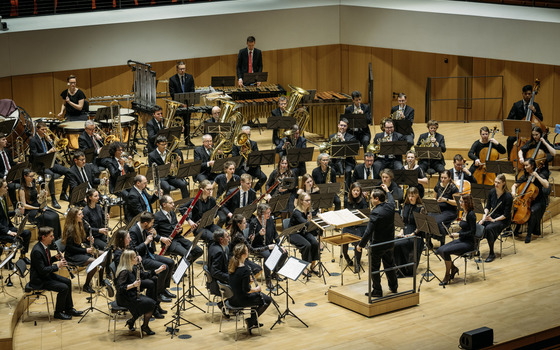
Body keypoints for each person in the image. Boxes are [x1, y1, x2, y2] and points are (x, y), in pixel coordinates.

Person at [29, 227, 83, 320]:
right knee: (63, 288)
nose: (53, 238)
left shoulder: (44, 246)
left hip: (46, 275)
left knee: (67, 282)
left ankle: (69, 309)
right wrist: (57, 266)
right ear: (43, 237)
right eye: (51, 236)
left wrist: (55, 257)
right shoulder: (37, 251)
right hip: (39, 279)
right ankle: (58, 312)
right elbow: (42, 270)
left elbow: (47, 261)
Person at [356, 185, 398, 297]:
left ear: (377, 199)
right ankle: (394, 287)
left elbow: (368, 232)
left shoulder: (375, 212)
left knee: (374, 268)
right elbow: (392, 199)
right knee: (389, 265)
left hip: (378, 245)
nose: (370, 200)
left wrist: (360, 245)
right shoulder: (390, 206)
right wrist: (387, 191)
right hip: (389, 243)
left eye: (371, 198)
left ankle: (377, 291)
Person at [128, 211, 175, 303]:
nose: (153, 225)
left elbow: (152, 235)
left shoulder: (145, 227)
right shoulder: (133, 231)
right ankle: (158, 293)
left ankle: (163, 288)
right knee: (165, 268)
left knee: (171, 262)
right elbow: (133, 250)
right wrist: (146, 242)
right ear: (146, 223)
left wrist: (161, 238)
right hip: (141, 259)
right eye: (152, 223)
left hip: (149, 254)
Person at [115, 250, 162, 335]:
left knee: (149, 303)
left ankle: (132, 321)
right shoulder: (124, 272)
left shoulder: (133, 267)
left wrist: (158, 270)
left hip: (131, 295)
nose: (137, 258)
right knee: (151, 304)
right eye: (134, 257)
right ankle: (144, 326)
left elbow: (144, 275)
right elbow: (119, 288)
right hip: (125, 298)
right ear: (129, 260)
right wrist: (133, 285)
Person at [228, 243, 272, 332]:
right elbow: (247, 290)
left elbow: (237, 281)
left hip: (232, 298)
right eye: (247, 250)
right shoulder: (245, 269)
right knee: (267, 299)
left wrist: (247, 280)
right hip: (241, 300)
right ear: (244, 255)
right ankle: (251, 321)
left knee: (258, 296)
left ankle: (253, 321)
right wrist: (256, 289)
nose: (248, 251)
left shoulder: (233, 263)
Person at [436, 194, 476, 285]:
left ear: (467, 203)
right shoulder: (464, 212)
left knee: (445, 251)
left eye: (461, 201)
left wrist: (458, 234)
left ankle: (447, 276)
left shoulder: (471, 215)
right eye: (460, 201)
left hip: (468, 243)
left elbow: (472, 232)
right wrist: (454, 232)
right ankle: (453, 268)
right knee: (440, 250)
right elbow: (463, 228)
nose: (460, 203)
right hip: (462, 239)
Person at [29, 121, 71, 207]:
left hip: (50, 162)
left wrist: (51, 143)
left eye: (45, 129)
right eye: (42, 129)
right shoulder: (33, 140)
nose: (44, 131)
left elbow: (53, 149)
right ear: (37, 130)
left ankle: (63, 193)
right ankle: (53, 199)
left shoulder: (46, 139)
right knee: (50, 174)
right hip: (40, 165)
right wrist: (48, 152)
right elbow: (35, 155)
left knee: (68, 171)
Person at [154, 195, 203, 263]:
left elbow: (178, 227)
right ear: (164, 204)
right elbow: (153, 233)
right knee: (187, 255)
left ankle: (176, 270)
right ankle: (178, 272)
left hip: (179, 238)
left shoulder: (172, 213)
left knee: (199, 251)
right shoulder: (156, 216)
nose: (173, 204)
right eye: (170, 203)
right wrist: (162, 238)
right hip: (169, 242)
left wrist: (180, 230)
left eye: (173, 202)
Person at [512, 159, 549, 243]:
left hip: (539, 201)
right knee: (517, 209)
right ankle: (516, 229)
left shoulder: (540, 174)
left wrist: (537, 176)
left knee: (532, 211)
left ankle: (529, 234)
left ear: (532, 166)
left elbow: (546, 185)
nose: (525, 167)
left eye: (526, 165)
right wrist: (513, 191)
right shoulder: (524, 176)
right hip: (527, 201)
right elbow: (515, 185)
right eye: (524, 165)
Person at [249, 204, 285, 289]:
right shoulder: (254, 223)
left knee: (284, 253)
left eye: (269, 212)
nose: (269, 214)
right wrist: (259, 234)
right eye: (267, 213)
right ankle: (268, 279)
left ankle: (275, 273)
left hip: (269, 244)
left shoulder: (270, 220)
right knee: (268, 256)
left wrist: (280, 245)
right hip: (258, 246)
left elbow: (275, 233)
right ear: (261, 213)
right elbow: (250, 240)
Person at [61, 207, 97, 293]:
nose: (82, 215)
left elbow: (79, 241)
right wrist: (85, 251)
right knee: (94, 262)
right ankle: (86, 285)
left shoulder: (79, 225)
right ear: (74, 217)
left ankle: (101, 281)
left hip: (78, 252)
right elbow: (70, 248)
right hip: (71, 256)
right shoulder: (70, 229)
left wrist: (88, 240)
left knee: (101, 254)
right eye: (80, 214)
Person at [479, 174, 513, 262]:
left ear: (504, 183)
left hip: (503, 220)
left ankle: (491, 253)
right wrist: (484, 217)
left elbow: (506, 215)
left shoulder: (508, 197)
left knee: (489, 228)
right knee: (478, 225)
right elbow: (487, 207)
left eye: (498, 182)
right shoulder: (492, 192)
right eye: (495, 182)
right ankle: (475, 250)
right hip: (493, 216)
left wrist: (493, 220)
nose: (496, 184)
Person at [19, 168, 62, 239]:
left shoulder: (33, 183)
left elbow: (36, 197)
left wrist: (42, 194)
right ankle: (50, 240)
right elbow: (24, 205)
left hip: (37, 206)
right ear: (25, 176)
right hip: (30, 211)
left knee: (56, 215)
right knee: (50, 218)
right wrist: (37, 208)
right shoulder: (22, 189)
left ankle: (57, 237)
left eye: (33, 176)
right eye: (31, 176)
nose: (33, 178)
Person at [393, 187, 424, 277]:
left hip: (416, 234)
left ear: (417, 196)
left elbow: (421, 226)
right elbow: (403, 221)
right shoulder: (405, 206)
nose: (410, 198)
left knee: (398, 244)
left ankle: (405, 270)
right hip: (405, 231)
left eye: (413, 196)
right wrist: (401, 231)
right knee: (394, 243)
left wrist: (413, 234)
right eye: (409, 196)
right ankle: (398, 270)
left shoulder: (421, 208)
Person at [506, 84, 544, 157]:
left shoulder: (535, 105)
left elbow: (541, 119)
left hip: (532, 132)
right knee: (509, 140)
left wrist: (535, 111)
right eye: (525, 94)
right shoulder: (516, 105)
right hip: (519, 131)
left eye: (529, 94)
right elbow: (509, 118)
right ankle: (509, 158)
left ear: (532, 95)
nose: (527, 95)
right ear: (522, 94)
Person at [0, 179, 31, 263]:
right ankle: (8, 261)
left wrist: (16, 212)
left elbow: (4, 214)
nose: (7, 188)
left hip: (8, 227)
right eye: (5, 187)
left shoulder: (3, 198)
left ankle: (23, 256)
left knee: (27, 233)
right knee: (16, 240)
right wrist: (8, 232)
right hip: (1, 231)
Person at [289, 192, 319, 277]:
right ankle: (304, 267)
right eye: (307, 200)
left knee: (314, 243)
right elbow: (305, 223)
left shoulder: (308, 210)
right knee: (307, 245)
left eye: (309, 200)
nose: (309, 202)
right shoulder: (297, 212)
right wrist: (310, 220)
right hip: (293, 234)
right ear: (301, 201)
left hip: (303, 232)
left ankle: (313, 265)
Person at [232, 126, 267, 193]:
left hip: (252, 167)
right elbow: (234, 159)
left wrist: (252, 159)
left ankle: (253, 191)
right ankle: (247, 193)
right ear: (241, 135)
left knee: (263, 177)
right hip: (241, 168)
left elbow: (257, 157)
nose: (247, 137)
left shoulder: (253, 144)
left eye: (249, 134)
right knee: (246, 179)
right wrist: (242, 154)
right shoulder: (236, 145)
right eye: (245, 135)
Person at [168, 61, 195, 147]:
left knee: (187, 123)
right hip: (178, 106)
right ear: (177, 69)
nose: (182, 70)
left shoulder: (190, 77)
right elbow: (172, 94)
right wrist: (181, 104)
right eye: (180, 69)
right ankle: (175, 142)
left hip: (187, 105)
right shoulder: (172, 79)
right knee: (177, 124)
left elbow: (192, 91)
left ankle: (187, 141)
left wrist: (188, 103)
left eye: (184, 68)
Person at [341, 182, 368, 268]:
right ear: (351, 191)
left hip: (360, 226)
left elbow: (364, 217)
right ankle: (347, 258)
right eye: (354, 190)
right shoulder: (346, 200)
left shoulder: (363, 201)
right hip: (349, 224)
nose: (356, 192)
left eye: (358, 191)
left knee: (358, 243)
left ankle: (358, 262)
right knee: (344, 241)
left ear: (360, 192)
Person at [430, 170, 459, 248]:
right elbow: (434, 197)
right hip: (439, 210)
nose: (442, 179)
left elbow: (457, 203)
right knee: (428, 218)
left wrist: (445, 200)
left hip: (450, 211)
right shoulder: (438, 186)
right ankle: (428, 241)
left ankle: (442, 242)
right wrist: (433, 200)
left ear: (449, 178)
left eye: (445, 178)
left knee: (437, 221)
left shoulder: (453, 188)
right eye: (441, 177)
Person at [228, 214, 263, 279]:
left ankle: (246, 283)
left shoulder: (238, 232)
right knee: (257, 269)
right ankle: (245, 284)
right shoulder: (238, 235)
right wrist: (268, 247)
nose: (246, 224)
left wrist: (249, 239)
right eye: (244, 223)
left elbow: (241, 243)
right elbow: (252, 250)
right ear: (239, 224)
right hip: (236, 259)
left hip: (240, 256)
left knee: (257, 269)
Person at [329, 118, 357, 191]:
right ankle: (334, 190)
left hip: (348, 161)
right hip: (335, 161)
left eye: (344, 126)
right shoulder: (332, 137)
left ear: (347, 127)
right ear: (338, 125)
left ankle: (347, 190)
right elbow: (329, 150)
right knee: (331, 170)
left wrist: (342, 140)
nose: (342, 127)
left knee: (348, 171)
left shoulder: (351, 137)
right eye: (341, 125)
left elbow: (351, 151)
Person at [207, 229, 230, 316]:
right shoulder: (219, 252)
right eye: (227, 237)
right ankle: (226, 305)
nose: (229, 238)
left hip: (215, 281)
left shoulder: (213, 245)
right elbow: (215, 272)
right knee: (241, 284)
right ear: (221, 239)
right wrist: (230, 277)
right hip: (218, 284)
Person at [0, 133, 19, 207]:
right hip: (3, 176)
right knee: (11, 187)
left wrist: (17, 163)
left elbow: (11, 163)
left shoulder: (7, 151)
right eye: (3, 139)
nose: (6, 141)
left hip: (11, 174)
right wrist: (5, 178)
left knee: (27, 178)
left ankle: (28, 203)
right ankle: (16, 207)